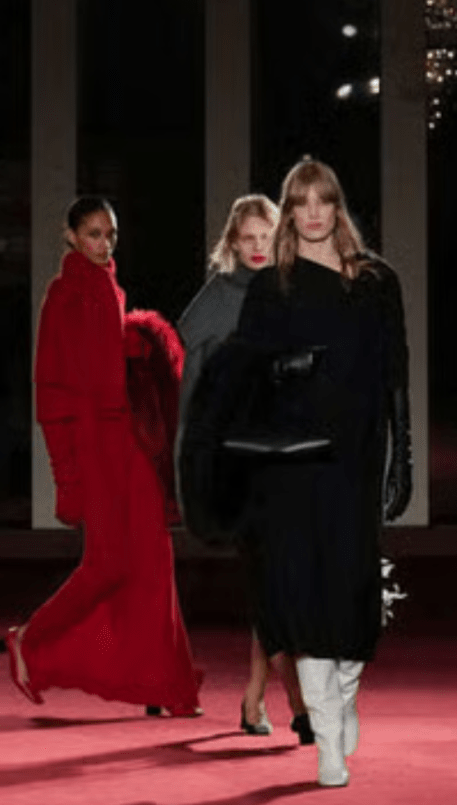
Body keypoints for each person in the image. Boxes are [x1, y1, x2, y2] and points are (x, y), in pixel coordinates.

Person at [194, 158, 412, 787]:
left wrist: (403, 456)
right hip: (292, 462)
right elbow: (244, 377)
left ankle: (343, 695)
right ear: (288, 211)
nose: (313, 213)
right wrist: (278, 372)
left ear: (338, 207)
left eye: (324, 200)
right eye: (300, 202)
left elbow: (395, 375)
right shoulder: (272, 287)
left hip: (357, 457)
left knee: (352, 591)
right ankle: (326, 736)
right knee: (305, 592)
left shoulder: (377, 282)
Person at [4, 196, 202, 717]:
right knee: (108, 564)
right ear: (70, 236)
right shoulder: (62, 295)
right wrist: (64, 474)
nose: (103, 243)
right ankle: (30, 639)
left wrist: (133, 346)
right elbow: (51, 394)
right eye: (93, 234)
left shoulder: (112, 288)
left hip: (127, 442)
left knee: (155, 559)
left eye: (110, 234)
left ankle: (166, 685)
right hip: (93, 446)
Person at [175, 194, 308, 741]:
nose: (257, 247)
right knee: (268, 578)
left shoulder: (291, 294)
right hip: (234, 462)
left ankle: (256, 698)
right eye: (247, 238)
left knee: (274, 583)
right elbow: (189, 391)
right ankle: (297, 704)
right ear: (232, 242)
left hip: (286, 456)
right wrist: (191, 464)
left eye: (266, 237)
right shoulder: (215, 299)